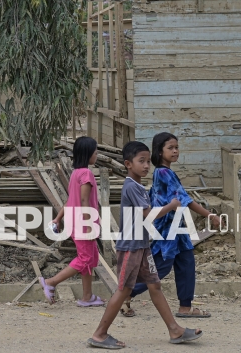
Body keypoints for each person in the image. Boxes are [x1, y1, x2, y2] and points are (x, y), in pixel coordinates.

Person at [88, 141, 203, 349]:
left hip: (142, 246)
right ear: (128, 164)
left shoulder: (139, 187)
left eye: (148, 161)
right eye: (141, 161)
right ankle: (99, 334)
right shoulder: (132, 186)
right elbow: (148, 216)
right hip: (131, 247)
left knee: (155, 285)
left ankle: (175, 330)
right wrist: (172, 205)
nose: (146, 165)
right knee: (123, 290)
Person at [123, 132, 221, 318]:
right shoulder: (164, 172)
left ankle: (186, 307)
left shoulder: (164, 172)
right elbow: (184, 200)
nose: (175, 151)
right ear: (160, 152)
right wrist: (210, 215)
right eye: (170, 148)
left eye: (177, 147)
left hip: (177, 226)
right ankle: (126, 293)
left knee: (186, 262)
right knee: (161, 267)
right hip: (168, 228)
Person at [39, 136, 103, 307]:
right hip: (84, 223)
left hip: (75, 222)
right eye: (95, 152)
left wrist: (58, 218)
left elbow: (70, 201)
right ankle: (51, 282)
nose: (97, 154)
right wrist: (89, 225)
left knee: (89, 259)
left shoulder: (76, 174)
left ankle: (87, 297)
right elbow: (83, 202)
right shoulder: (86, 174)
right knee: (85, 259)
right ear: (88, 153)